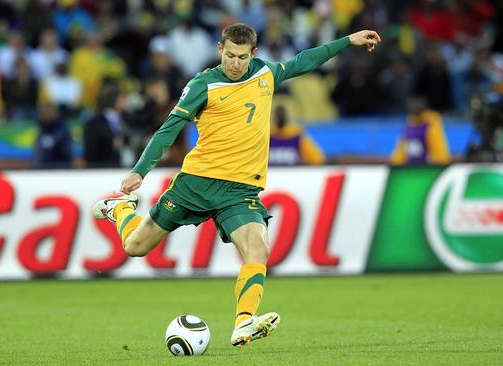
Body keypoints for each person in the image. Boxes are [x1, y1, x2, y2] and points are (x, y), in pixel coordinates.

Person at [92, 23, 380, 348]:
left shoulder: (266, 73)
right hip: (196, 183)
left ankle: (243, 323)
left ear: (253, 54)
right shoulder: (203, 84)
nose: (235, 63)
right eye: (229, 55)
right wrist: (140, 172)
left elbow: (305, 61)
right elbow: (168, 130)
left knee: (258, 248)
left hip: (240, 191)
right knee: (135, 247)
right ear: (219, 50)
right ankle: (119, 208)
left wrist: (348, 40)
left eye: (242, 57)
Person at [390, 96, 451, 165]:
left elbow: (440, 153)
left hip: (427, 169)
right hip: (410, 169)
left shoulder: (430, 125)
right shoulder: (409, 127)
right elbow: (400, 153)